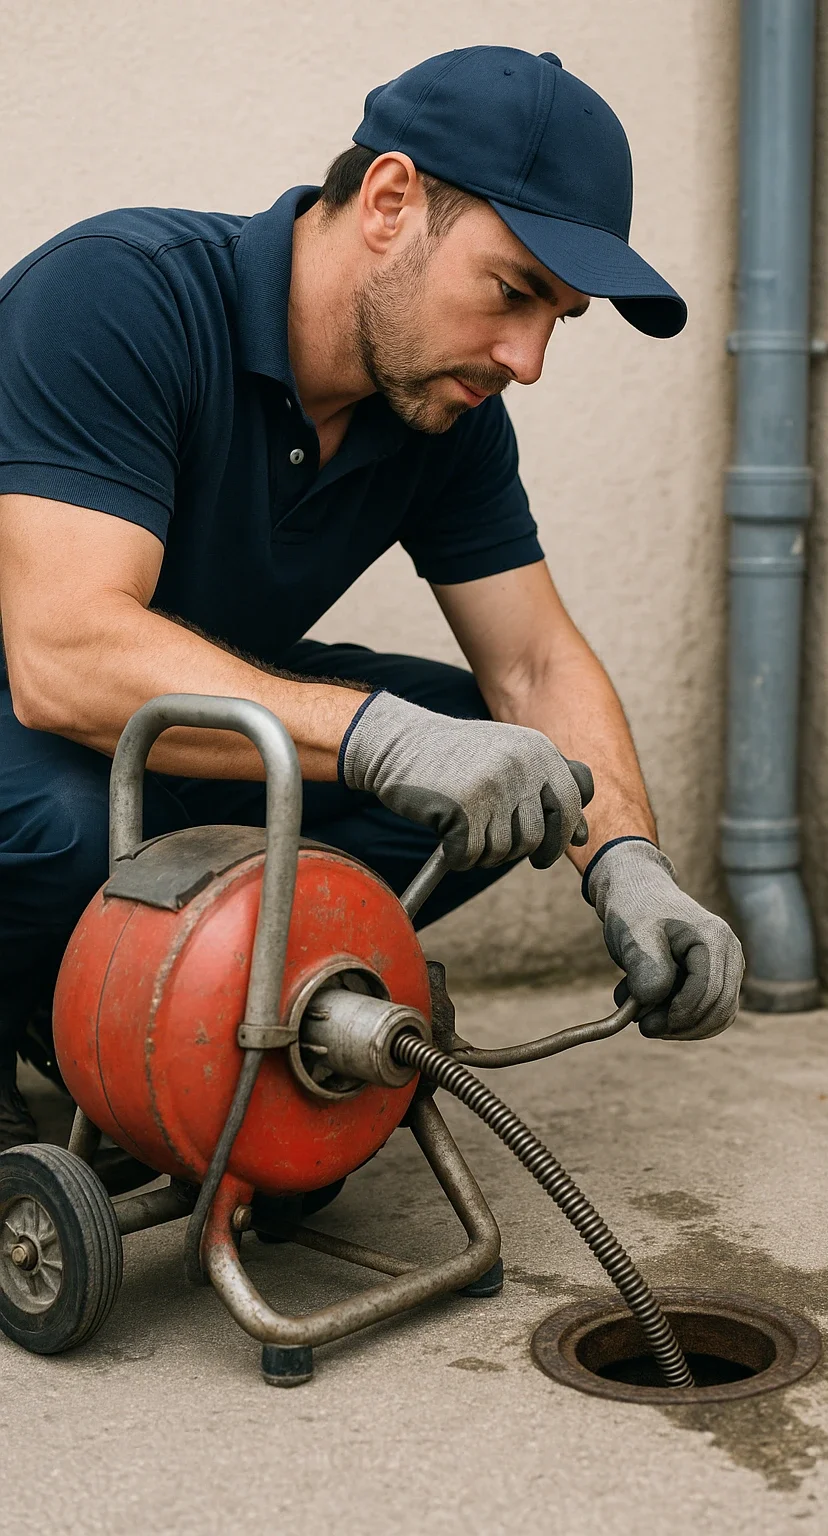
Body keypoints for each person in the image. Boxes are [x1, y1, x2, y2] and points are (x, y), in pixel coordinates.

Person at [0, 46, 744, 1161]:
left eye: (560, 318)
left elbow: (534, 666)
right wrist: (380, 737)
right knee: (56, 825)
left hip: (161, 727)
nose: (527, 358)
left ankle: (189, 1020)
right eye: (512, 292)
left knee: (516, 773)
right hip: (31, 715)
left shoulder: (445, 412)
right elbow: (60, 657)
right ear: (392, 201)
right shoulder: (120, 294)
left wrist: (629, 866)